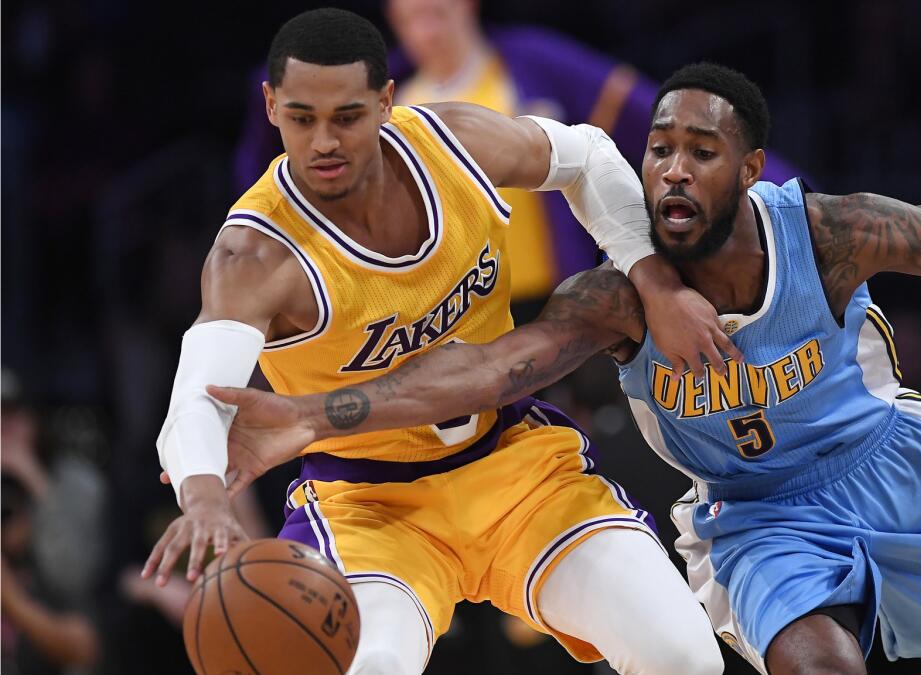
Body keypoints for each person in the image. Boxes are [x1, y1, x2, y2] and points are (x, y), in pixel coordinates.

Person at [201, 62, 921, 674]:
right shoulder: (615, 298)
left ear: (750, 170)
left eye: (701, 152)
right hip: (756, 514)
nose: (670, 169)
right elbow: (490, 373)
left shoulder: (829, 234)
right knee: (814, 663)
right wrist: (320, 413)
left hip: (894, 470)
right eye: (658, 148)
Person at [140, 9, 730, 675]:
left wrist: (653, 280)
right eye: (302, 118)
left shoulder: (451, 143)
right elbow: (196, 398)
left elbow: (587, 153)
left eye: (349, 116)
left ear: (388, 100)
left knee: (683, 656)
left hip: (512, 462)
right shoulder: (254, 253)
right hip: (368, 507)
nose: (325, 141)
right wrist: (204, 497)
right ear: (271, 106)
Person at [234, 0, 798, 318]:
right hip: (446, 317)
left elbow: (667, 116)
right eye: (410, 10)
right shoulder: (381, 97)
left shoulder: (532, 61)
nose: (425, 15)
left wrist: (783, 200)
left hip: (565, 296)